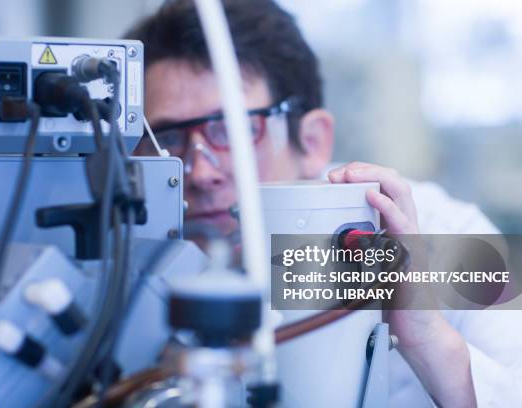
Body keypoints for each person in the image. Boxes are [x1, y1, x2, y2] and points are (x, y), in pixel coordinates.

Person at [126, 0, 522, 406]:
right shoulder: (123, 267)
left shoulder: (452, 237)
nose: (199, 173)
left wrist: (426, 336)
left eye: (232, 129)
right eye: (168, 138)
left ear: (312, 140)